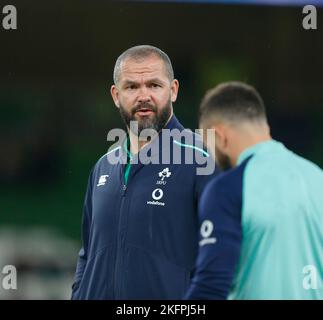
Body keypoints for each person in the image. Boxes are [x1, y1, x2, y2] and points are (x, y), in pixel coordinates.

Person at [71, 45, 218, 299]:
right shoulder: (102, 167)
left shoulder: (201, 160)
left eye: (154, 85)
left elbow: (222, 257)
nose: (143, 96)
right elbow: (87, 253)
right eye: (132, 87)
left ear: (173, 90)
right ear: (116, 95)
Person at [185, 81, 323, 300]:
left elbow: (211, 286)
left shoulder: (227, 189)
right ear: (263, 126)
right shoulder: (317, 177)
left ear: (220, 136)